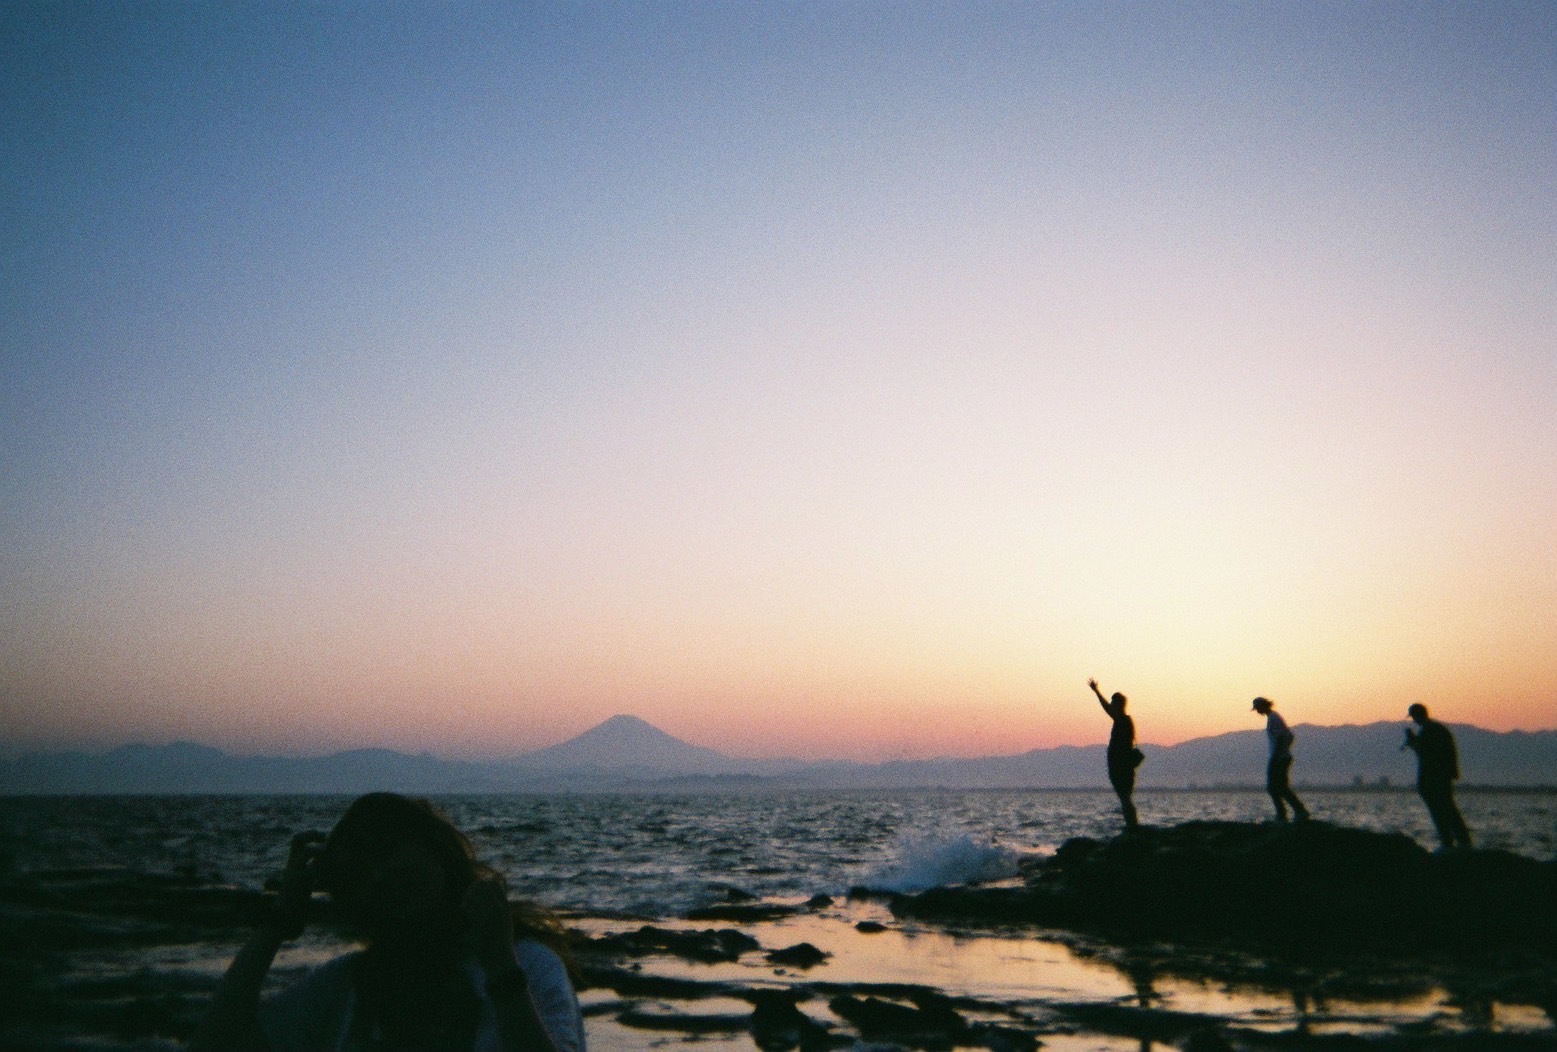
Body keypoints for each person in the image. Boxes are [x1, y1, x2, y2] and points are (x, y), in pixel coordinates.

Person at [192, 792, 585, 1051]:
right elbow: (216, 1043)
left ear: (438, 853)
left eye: (389, 850)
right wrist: (278, 922)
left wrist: (500, 965)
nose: (378, 875)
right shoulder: (346, 986)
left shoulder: (527, 967)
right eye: (358, 869)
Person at [1403, 703, 1472, 851]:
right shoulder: (1438, 729)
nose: (1413, 720)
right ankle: (1461, 842)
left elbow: (1425, 754)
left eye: (1413, 717)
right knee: (1447, 809)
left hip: (1433, 779)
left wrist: (1413, 742)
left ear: (1417, 715)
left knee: (1440, 810)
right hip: (1441, 777)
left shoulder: (1429, 731)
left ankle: (1450, 843)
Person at [1089, 678, 1143, 830]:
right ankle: (1132, 826)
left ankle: (1133, 827)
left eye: (1113, 703)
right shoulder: (1125, 721)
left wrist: (1097, 692)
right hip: (1122, 765)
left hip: (1121, 766)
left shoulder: (1122, 720)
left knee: (1124, 797)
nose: (1111, 705)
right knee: (1125, 797)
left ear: (1118, 705)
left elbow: (1107, 709)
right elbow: (1109, 709)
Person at [1251, 697, 1310, 822]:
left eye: (1258, 709)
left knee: (1274, 787)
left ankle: (1288, 814)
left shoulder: (1274, 718)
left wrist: (1278, 754)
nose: (1257, 712)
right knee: (1280, 787)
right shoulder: (1274, 718)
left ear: (1263, 706)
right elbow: (1289, 736)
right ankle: (1295, 812)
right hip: (1281, 757)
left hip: (1278, 758)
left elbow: (1283, 737)